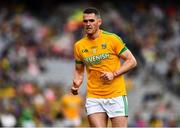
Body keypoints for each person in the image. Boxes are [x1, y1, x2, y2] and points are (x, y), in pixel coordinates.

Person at [71, 7, 137, 127]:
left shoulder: (112, 39)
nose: (88, 24)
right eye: (85, 21)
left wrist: (114, 74)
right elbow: (79, 70)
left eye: (91, 20)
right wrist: (77, 82)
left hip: (116, 95)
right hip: (94, 97)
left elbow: (132, 61)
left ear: (99, 22)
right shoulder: (79, 46)